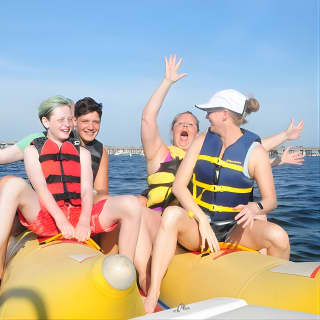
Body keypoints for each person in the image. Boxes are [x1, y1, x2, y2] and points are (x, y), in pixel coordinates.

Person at [144, 89, 291, 313]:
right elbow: (179, 186)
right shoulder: (202, 140)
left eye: (210, 112)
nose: (206, 116)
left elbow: (271, 200)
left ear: (224, 114)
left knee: (279, 236)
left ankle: (277, 296)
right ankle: (153, 292)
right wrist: (201, 219)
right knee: (172, 214)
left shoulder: (256, 152)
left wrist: (254, 207)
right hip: (200, 230)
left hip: (234, 229)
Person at [0, 96, 143, 280]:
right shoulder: (32, 150)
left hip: (79, 217)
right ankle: (1, 268)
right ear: (46, 122)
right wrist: (61, 221)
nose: (66, 124)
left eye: (69, 119)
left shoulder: (82, 153)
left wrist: (84, 221)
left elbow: (85, 190)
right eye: (60, 119)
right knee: (13, 184)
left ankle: (126, 274)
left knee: (131, 203)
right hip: (48, 218)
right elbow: (41, 189)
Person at [141, 55, 304, 213]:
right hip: (162, 218)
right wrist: (167, 82)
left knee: (260, 217)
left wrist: (283, 141)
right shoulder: (159, 154)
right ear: (172, 130)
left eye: (191, 124)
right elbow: (148, 119)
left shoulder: (205, 153)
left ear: (198, 133)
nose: (185, 125)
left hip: (192, 222)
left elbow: (248, 152)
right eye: (180, 123)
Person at [0, 97, 109, 200]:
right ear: (75, 121)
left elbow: (102, 192)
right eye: (85, 121)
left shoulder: (100, 150)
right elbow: (3, 157)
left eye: (96, 122)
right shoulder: (39, 141)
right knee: (7, 181)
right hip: (39, 204)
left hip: (78, 205)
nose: (91, 127)